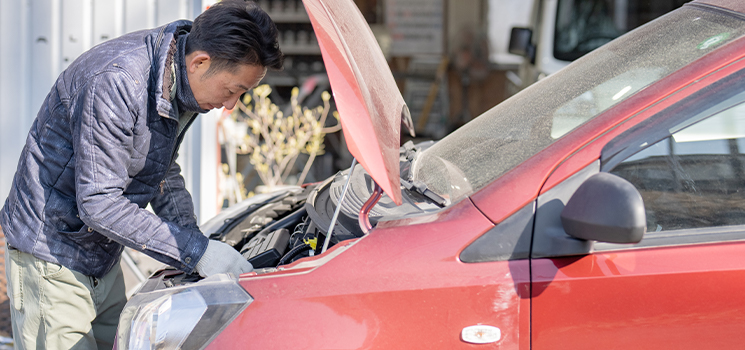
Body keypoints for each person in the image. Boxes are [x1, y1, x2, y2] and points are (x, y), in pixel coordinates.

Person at [0, 0, 282, 348]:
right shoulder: (118, 83)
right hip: (52, 253)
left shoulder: (179, 78)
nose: (231, 105)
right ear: (200, 62)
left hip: (100, 253)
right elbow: (99, 204)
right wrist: (197, 251)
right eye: (232, 90)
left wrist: (196, 250)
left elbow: (162, 171)